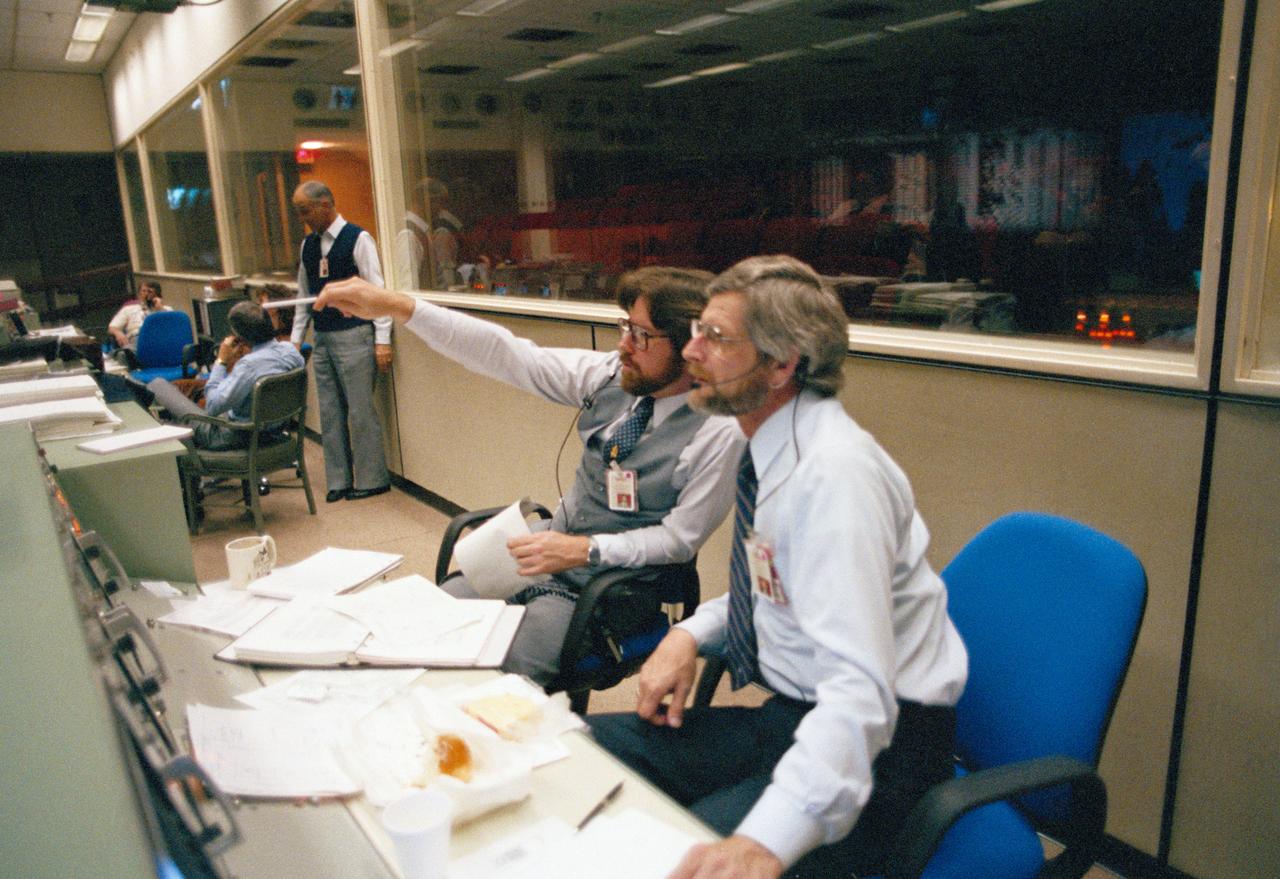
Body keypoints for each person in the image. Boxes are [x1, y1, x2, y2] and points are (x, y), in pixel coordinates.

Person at [587, 255, 969, 879]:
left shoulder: (835, 481)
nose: (690, 351)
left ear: (783, 364)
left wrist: (767, 841)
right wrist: (689, 633)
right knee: (581, 752)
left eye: (716, 338)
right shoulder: (772, 448)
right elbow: (776, 588)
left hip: (878, 752)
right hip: (791, 717)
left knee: (679, 862)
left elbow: (859, 691)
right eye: (697, 331)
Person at [314, 266, 745, 687]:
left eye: (641, 335)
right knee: (430, 624)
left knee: (500, 682)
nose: (623, 346)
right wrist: (401, 307)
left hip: (608, 588)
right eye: (625, 327)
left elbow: (679, 541)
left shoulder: (718, 431)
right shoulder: (611, 376)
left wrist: (586, 550)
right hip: (547, 547)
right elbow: (507, 354)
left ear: (692, 347)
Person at [289, 180, 392, 503]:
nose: (303, 218)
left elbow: (378, 292)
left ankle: (372, 478)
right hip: (323, 339)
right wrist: (295, 340)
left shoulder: (358, 239)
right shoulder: (308, 246)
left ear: (325, 204)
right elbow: (305, 297)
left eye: (305, 211)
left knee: (360, 410)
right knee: (331, 412)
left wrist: (383, 340)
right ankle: (338, 480)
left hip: (355, 336)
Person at [147, 301, 303, 450]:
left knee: (158, 385)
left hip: (231, 436)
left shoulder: (248, 365)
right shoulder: (290, 351)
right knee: (185, 394)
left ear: (240, 337)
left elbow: (212, 407)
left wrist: (221, 361)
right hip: (275, 430)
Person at [396, 177, 461, 290]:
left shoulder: (420, 232)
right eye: (439, 202)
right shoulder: (408, 234)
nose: (441, 210)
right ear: (425, 200)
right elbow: (408, 287)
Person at [107, 281, 168, 351]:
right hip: (137, 338)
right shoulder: (129, 309)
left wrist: (160, 309)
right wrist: (118, 333)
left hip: (161, 338)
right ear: (139, 294)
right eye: (144, 291)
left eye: (150, 292)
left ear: (157, 295)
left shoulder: (166, 310)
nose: (146, 294)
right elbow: (112, 327)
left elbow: (172, 327)